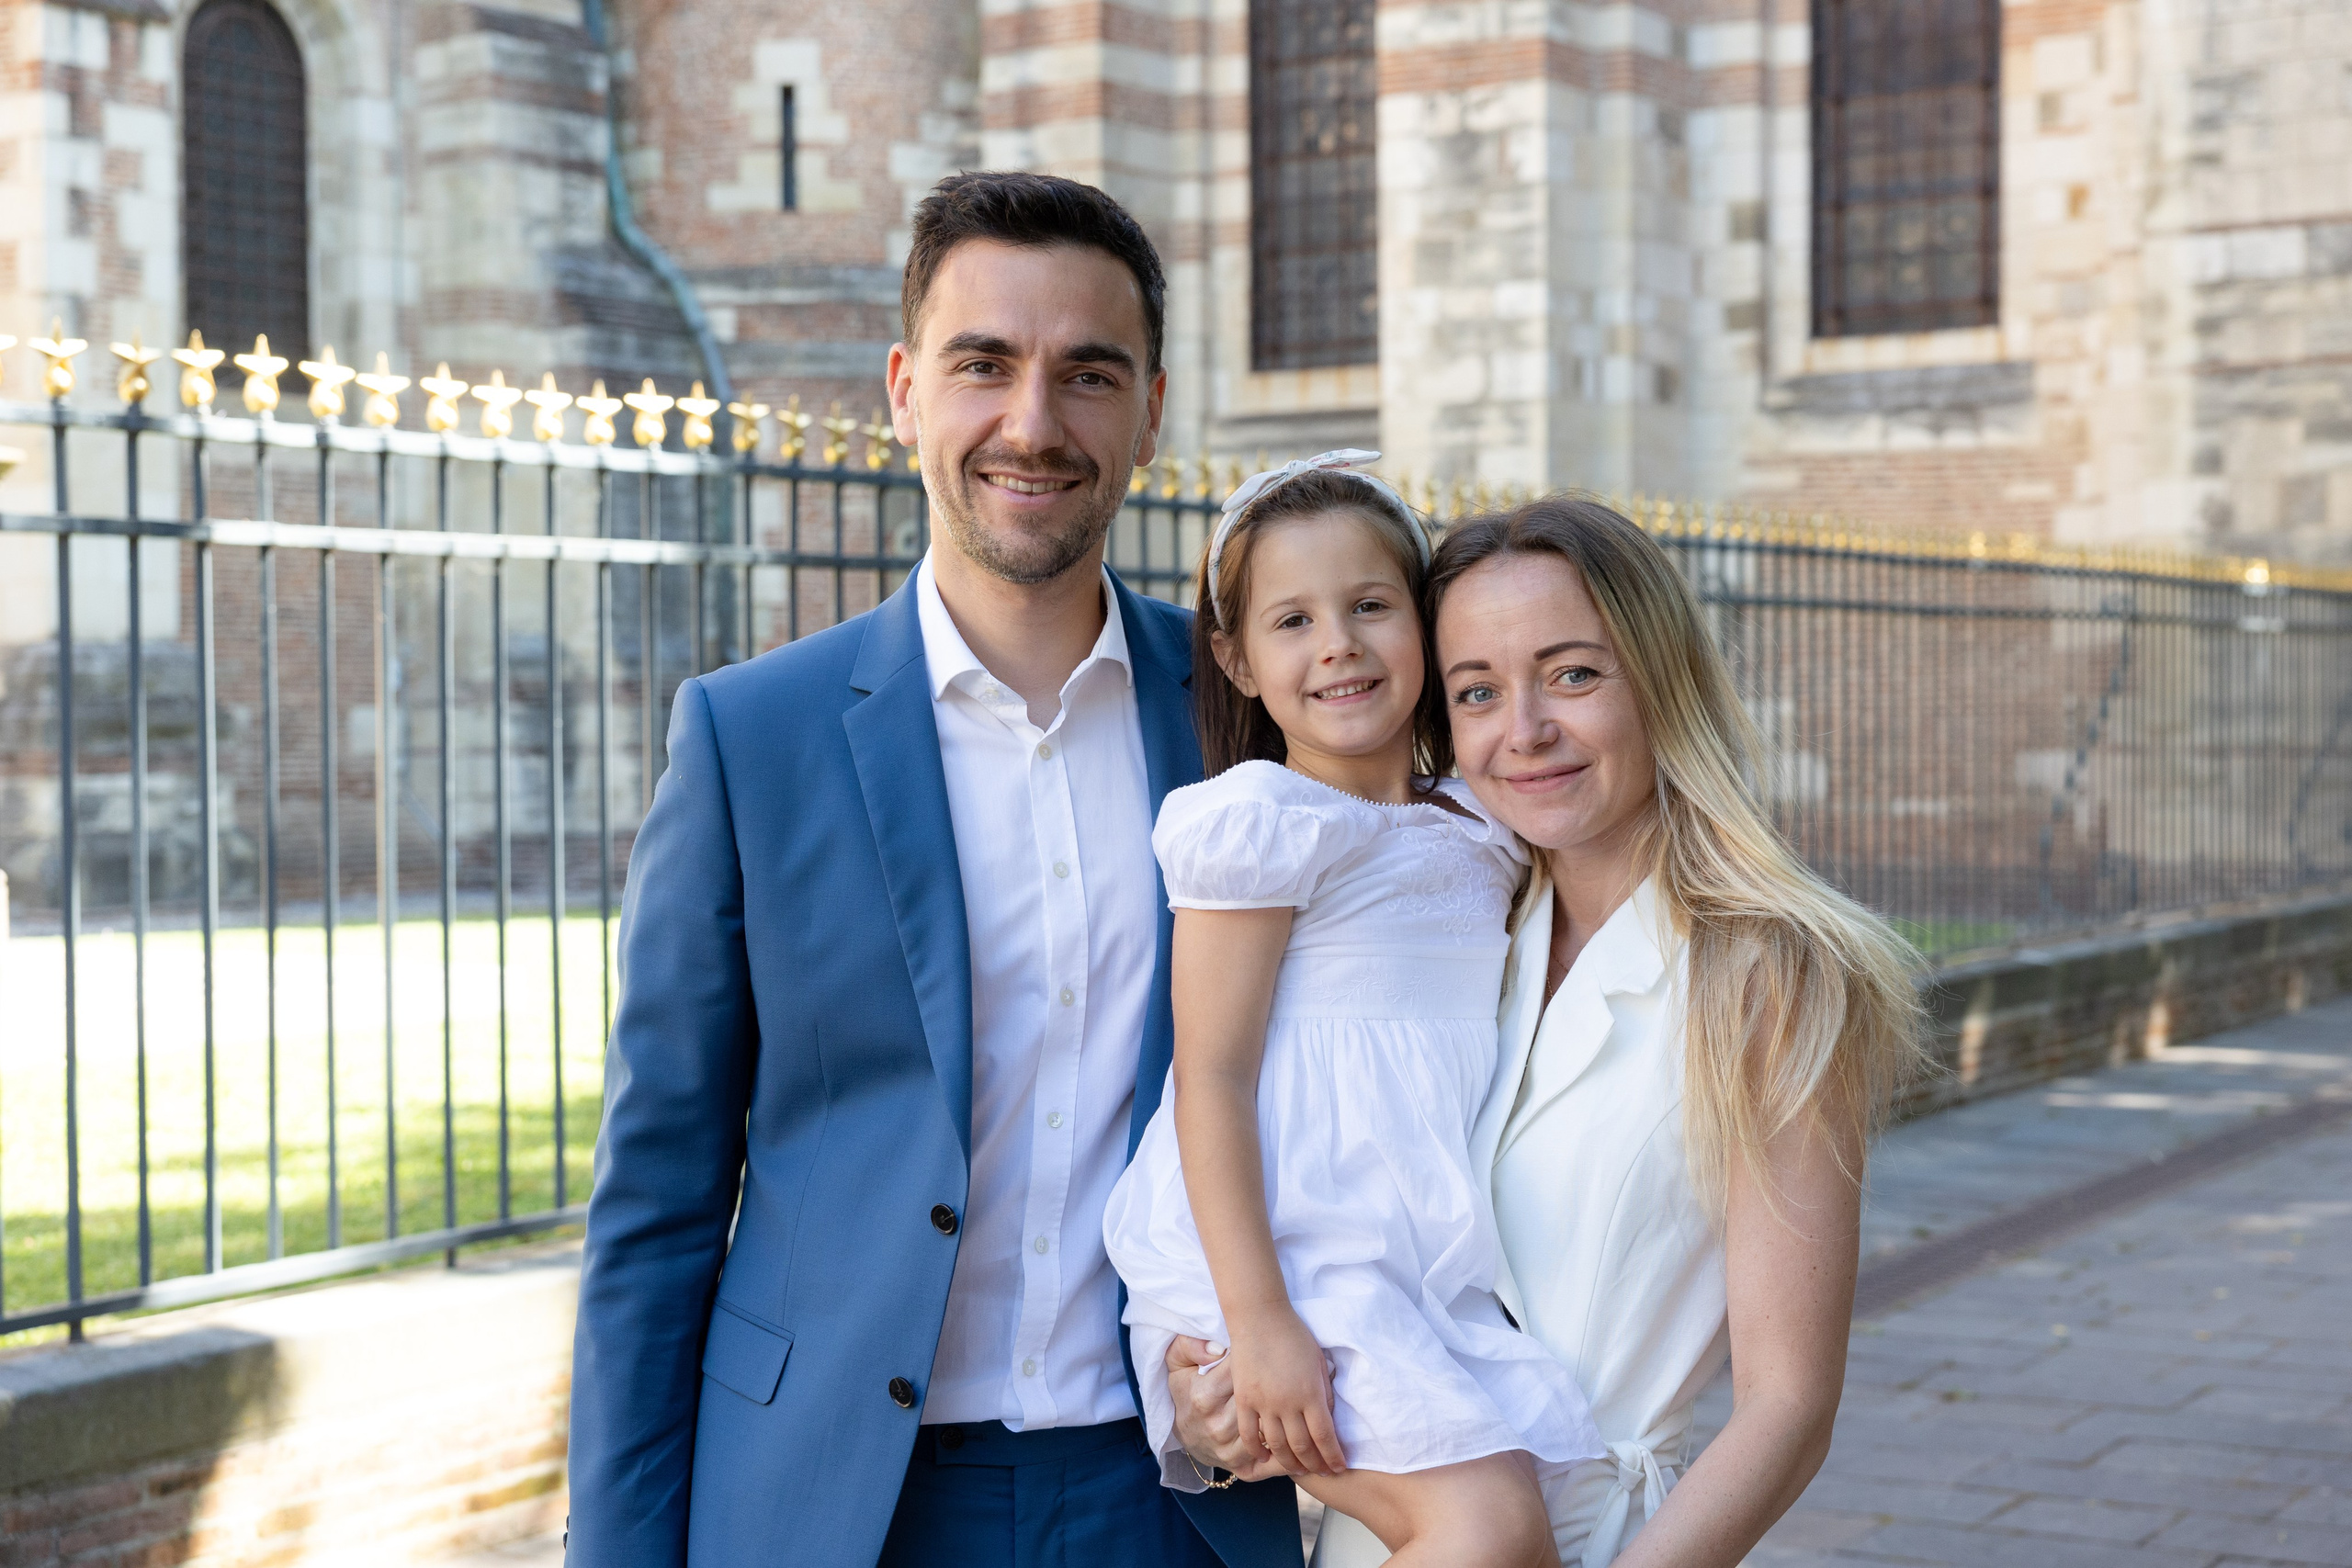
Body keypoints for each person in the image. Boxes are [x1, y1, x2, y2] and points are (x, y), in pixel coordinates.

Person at [564, 172, 1300, 1568]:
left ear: (1150, 411)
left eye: (1089, 373)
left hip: (1173, 1493)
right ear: (905, 390)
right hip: (837, 1502)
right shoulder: (749, 738)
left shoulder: (1245, 723)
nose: (1034, 422)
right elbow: (654, 1219)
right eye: (985, 365)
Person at [1167, 496, 1928, 1567]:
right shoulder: (1464, 924)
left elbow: (1788, 1408)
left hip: (1611, 1541)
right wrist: (1222, 1409)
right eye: (1478, 690)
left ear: (1658, 678)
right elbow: (1315, 1193)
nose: (1522, 731)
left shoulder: (1768, 976)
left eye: (1572, 674)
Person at [1102, 456, 1604, 1567]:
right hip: (1284, 1254)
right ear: (1234, 658)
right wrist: (1261, 1319)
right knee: (1480, 1529)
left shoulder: (1483, 822)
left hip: (1416, 1261)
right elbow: (1213, 1079)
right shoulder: (1260, 823)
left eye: (1371, 605)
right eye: (1291, 619)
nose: (1337, 642)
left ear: (1422, 626)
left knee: (1538, 1526)